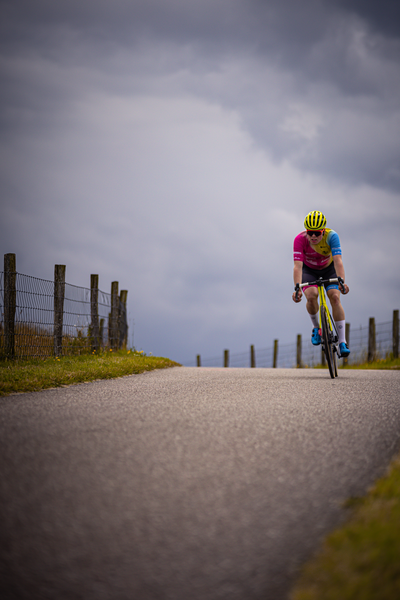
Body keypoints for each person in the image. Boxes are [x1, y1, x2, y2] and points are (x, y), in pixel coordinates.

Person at [292, 210, 350, 357]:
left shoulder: (332, 236)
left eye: (317, 233)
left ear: (323, 231)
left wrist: (341, 281)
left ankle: (342, 341)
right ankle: (317, 328)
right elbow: (297, 266)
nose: (313, 236)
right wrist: (297, 287)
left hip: (329, 269)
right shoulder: (299, 240)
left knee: (335, 297)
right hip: (309, 271)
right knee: (311, 295)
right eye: (310, 232)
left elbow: (338, 261)